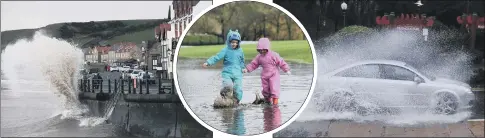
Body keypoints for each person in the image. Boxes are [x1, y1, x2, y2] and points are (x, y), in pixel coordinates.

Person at [243, 38, 291, 105]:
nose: (262, 51)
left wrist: (286, 69)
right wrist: (247, 69)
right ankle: (267, 102)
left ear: (267, 48)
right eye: (260, 50)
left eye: (263, 50)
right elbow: (254, 64)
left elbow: (281, 62)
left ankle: (275, 104)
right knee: (265, 90)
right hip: (264, 76)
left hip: (274, 75)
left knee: (274, 88)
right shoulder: (259, 57)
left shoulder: (274, 55)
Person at [203, 29, 245, 105]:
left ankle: (236, 102)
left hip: (238, 73)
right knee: (228, 86)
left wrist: (243, 68)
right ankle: (223, 96)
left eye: (236, 42)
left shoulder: (240, 51)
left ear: (238, 42)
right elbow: (217, 57)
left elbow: (242, 61)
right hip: (227, 73)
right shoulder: (225, 50)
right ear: (229, 41)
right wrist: (208, 62)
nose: (234, 44)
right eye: (232, 42)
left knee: (238, 88)